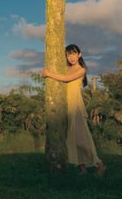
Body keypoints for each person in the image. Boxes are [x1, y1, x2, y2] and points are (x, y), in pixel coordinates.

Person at [42, 44, 106, 176]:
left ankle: (99, 164)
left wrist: (49, 74)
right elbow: (59, 79)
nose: (71, 57)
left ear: (79, 54)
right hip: (65, 105)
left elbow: (65, 79)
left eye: (73, 53)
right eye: (68, 54)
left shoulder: (81, 70)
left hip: (75, 106)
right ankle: (82, 167)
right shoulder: (66, 68)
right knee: (71, 138)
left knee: (82, 137)